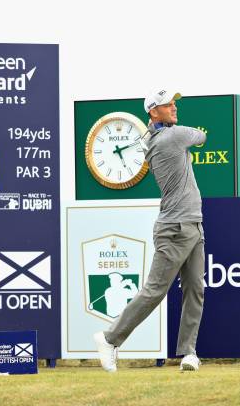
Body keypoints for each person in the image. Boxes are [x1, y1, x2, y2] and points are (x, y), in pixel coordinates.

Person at [93, 89, 206, 372]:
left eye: (174, 104)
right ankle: (109, 338)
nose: (173, 108)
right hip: (175, 228)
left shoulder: (157, 138)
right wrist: (170, 126)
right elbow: (201, 136)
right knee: (155, 290)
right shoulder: (172, 136)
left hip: (192, 223)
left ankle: (188, 353)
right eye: (167, 105)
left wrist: (162, 124)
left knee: (195, 289)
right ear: (153, 112)